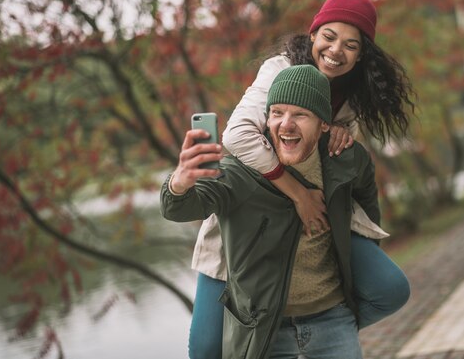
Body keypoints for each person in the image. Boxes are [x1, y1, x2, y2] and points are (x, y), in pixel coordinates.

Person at [188, 0, 415, 358]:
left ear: (361, 56)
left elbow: (345, 167)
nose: (336, 50)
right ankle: (262, 331)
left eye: (350, 45)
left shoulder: (352, 94)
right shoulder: (280, 69)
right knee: (206, 349)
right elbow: (237, 135)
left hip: (316, 219)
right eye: (329, 36)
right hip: (250, 218)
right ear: (313, 35)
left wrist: (341, 133)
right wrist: (297, 194)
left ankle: (321, 330)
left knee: (389, 288)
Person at [162, 65, 380, 359]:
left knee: (393, 289)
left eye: (300, 114)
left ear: (324, 124)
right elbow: (179, 208)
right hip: (265, 329)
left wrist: (364, 255)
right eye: (277, 112)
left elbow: (367, 198)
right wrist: (180, 182)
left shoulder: (345, 160)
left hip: (333, 318)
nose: (286, 124)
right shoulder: (240, 173)